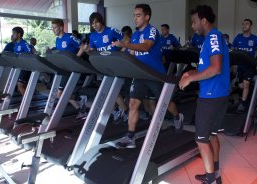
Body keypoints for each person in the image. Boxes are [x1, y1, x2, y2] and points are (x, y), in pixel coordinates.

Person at [112, 4, 184, 148]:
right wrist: (116, 57)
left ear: (147, 17)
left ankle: (177, 116)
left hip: (154, 74)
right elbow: (131, 54)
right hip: (140, 75)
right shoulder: (136, 34)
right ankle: (130, 137)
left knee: (166, 102)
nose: (135, 18)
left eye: (138, 15)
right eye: (134, 15)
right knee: (133, 104)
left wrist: (125, 44)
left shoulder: (152, 31)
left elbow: (146, 47)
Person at [179, 5, 230, 184]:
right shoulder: (211, 38)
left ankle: (210, 180)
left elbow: (216, 68)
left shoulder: (213, 36)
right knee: (212, 135)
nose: (192, 26)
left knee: (201, 139)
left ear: (203, 20)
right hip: (218, 93)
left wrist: (191, 80)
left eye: (194, 22)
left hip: (211, 95)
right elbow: (208, 66)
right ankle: (214, 174)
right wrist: (192, 73)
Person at [87, 12, 129, 123]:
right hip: (103, 67)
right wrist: (86, 50)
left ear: (101, 21)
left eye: (96, 22)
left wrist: (121, 54)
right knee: (108, 92)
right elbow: (92, 51)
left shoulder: (111, 31)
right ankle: (117, 111)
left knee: (112, 92)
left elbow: (127, 40)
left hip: (115, 65)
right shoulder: (93, 36)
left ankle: (125, 111)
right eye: (92, 23)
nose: (95, 25)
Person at [50, 19, 86, 119]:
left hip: (69, 69)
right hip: (62, 69)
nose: (53, 30)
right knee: (59, 93)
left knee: (59, 94)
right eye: (52, 28)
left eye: (55, 27)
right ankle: (79, 101)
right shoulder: (57, 39)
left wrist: (75, 60)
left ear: (61, 27)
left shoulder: (70, 37)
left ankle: (80, 106)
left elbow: (82, 47)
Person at [232, 18, 257, 113]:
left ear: (250, 26)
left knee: (246, 84)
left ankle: (242, 104)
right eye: (243, 24)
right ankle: (245, 100)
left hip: (249, 66)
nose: (244, 25)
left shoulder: (254, 38)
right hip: (240, 66)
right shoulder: (238, 37)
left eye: (246, 24)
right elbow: (232, 49)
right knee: (241, 85)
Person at [11, 27, 32, 96]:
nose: (12, 35)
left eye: (14, 33)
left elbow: (30, 53)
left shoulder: (24, 43)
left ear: (19, 34)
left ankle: (26, 103)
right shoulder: (16, 44)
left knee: (20, 86)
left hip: (25, 67)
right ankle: (28, 102)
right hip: (20, 67)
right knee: (23, 86)